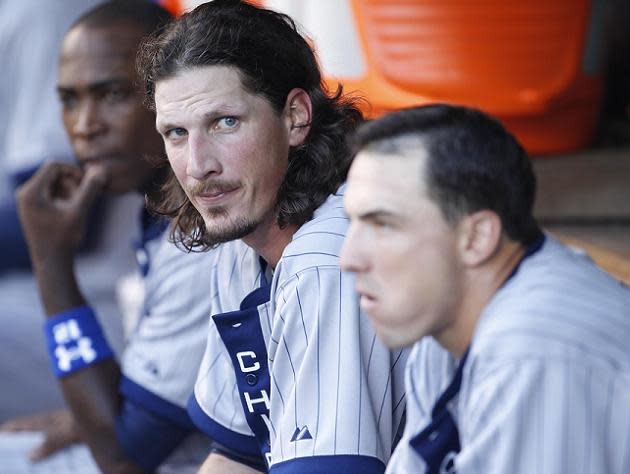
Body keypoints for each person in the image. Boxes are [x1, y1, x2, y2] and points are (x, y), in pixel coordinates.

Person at [137, 0, 408, 472]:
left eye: (226, 122)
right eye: (177, 133)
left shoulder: (330, 258)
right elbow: (239, 453)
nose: (199, 166)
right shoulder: (241, 239)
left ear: (296, 117)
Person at [340, 104, 630, 473]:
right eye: (352, 223)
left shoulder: (535, 349)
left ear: (476, 238)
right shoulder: (443, 331)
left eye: (383, 224)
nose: (348, 258)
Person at [8, 2, 221, 472]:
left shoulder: (210, 234)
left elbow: (121, 459)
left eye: (112, 95)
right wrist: (93, 415)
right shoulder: (161, 210)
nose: (85, 126)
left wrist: (51, 266)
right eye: (69, 100)